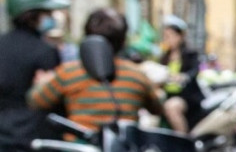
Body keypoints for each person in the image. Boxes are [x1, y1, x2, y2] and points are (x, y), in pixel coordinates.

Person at [28, 8, 162, 133]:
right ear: (123, 41)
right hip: (123, 150)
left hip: (80, 150)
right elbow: (157, 108)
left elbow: (36, 101)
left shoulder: (68, 73)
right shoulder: (137, 75)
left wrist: (41, 82)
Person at [0, 0, 69, 144]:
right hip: (31, 135)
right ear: (33, 16)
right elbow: (54, 96)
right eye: (48, 13)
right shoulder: (45, 51)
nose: (52, 18)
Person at [159, 15, 204, 133]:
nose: (167, 39)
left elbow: (194, 72)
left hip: (187, 97)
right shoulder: (164, 56)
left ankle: (183, 140)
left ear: (180, 36)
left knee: (171, 108)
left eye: (170, 36)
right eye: (166, 36)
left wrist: (183, 77)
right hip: (168, 95)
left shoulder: (190, 54)